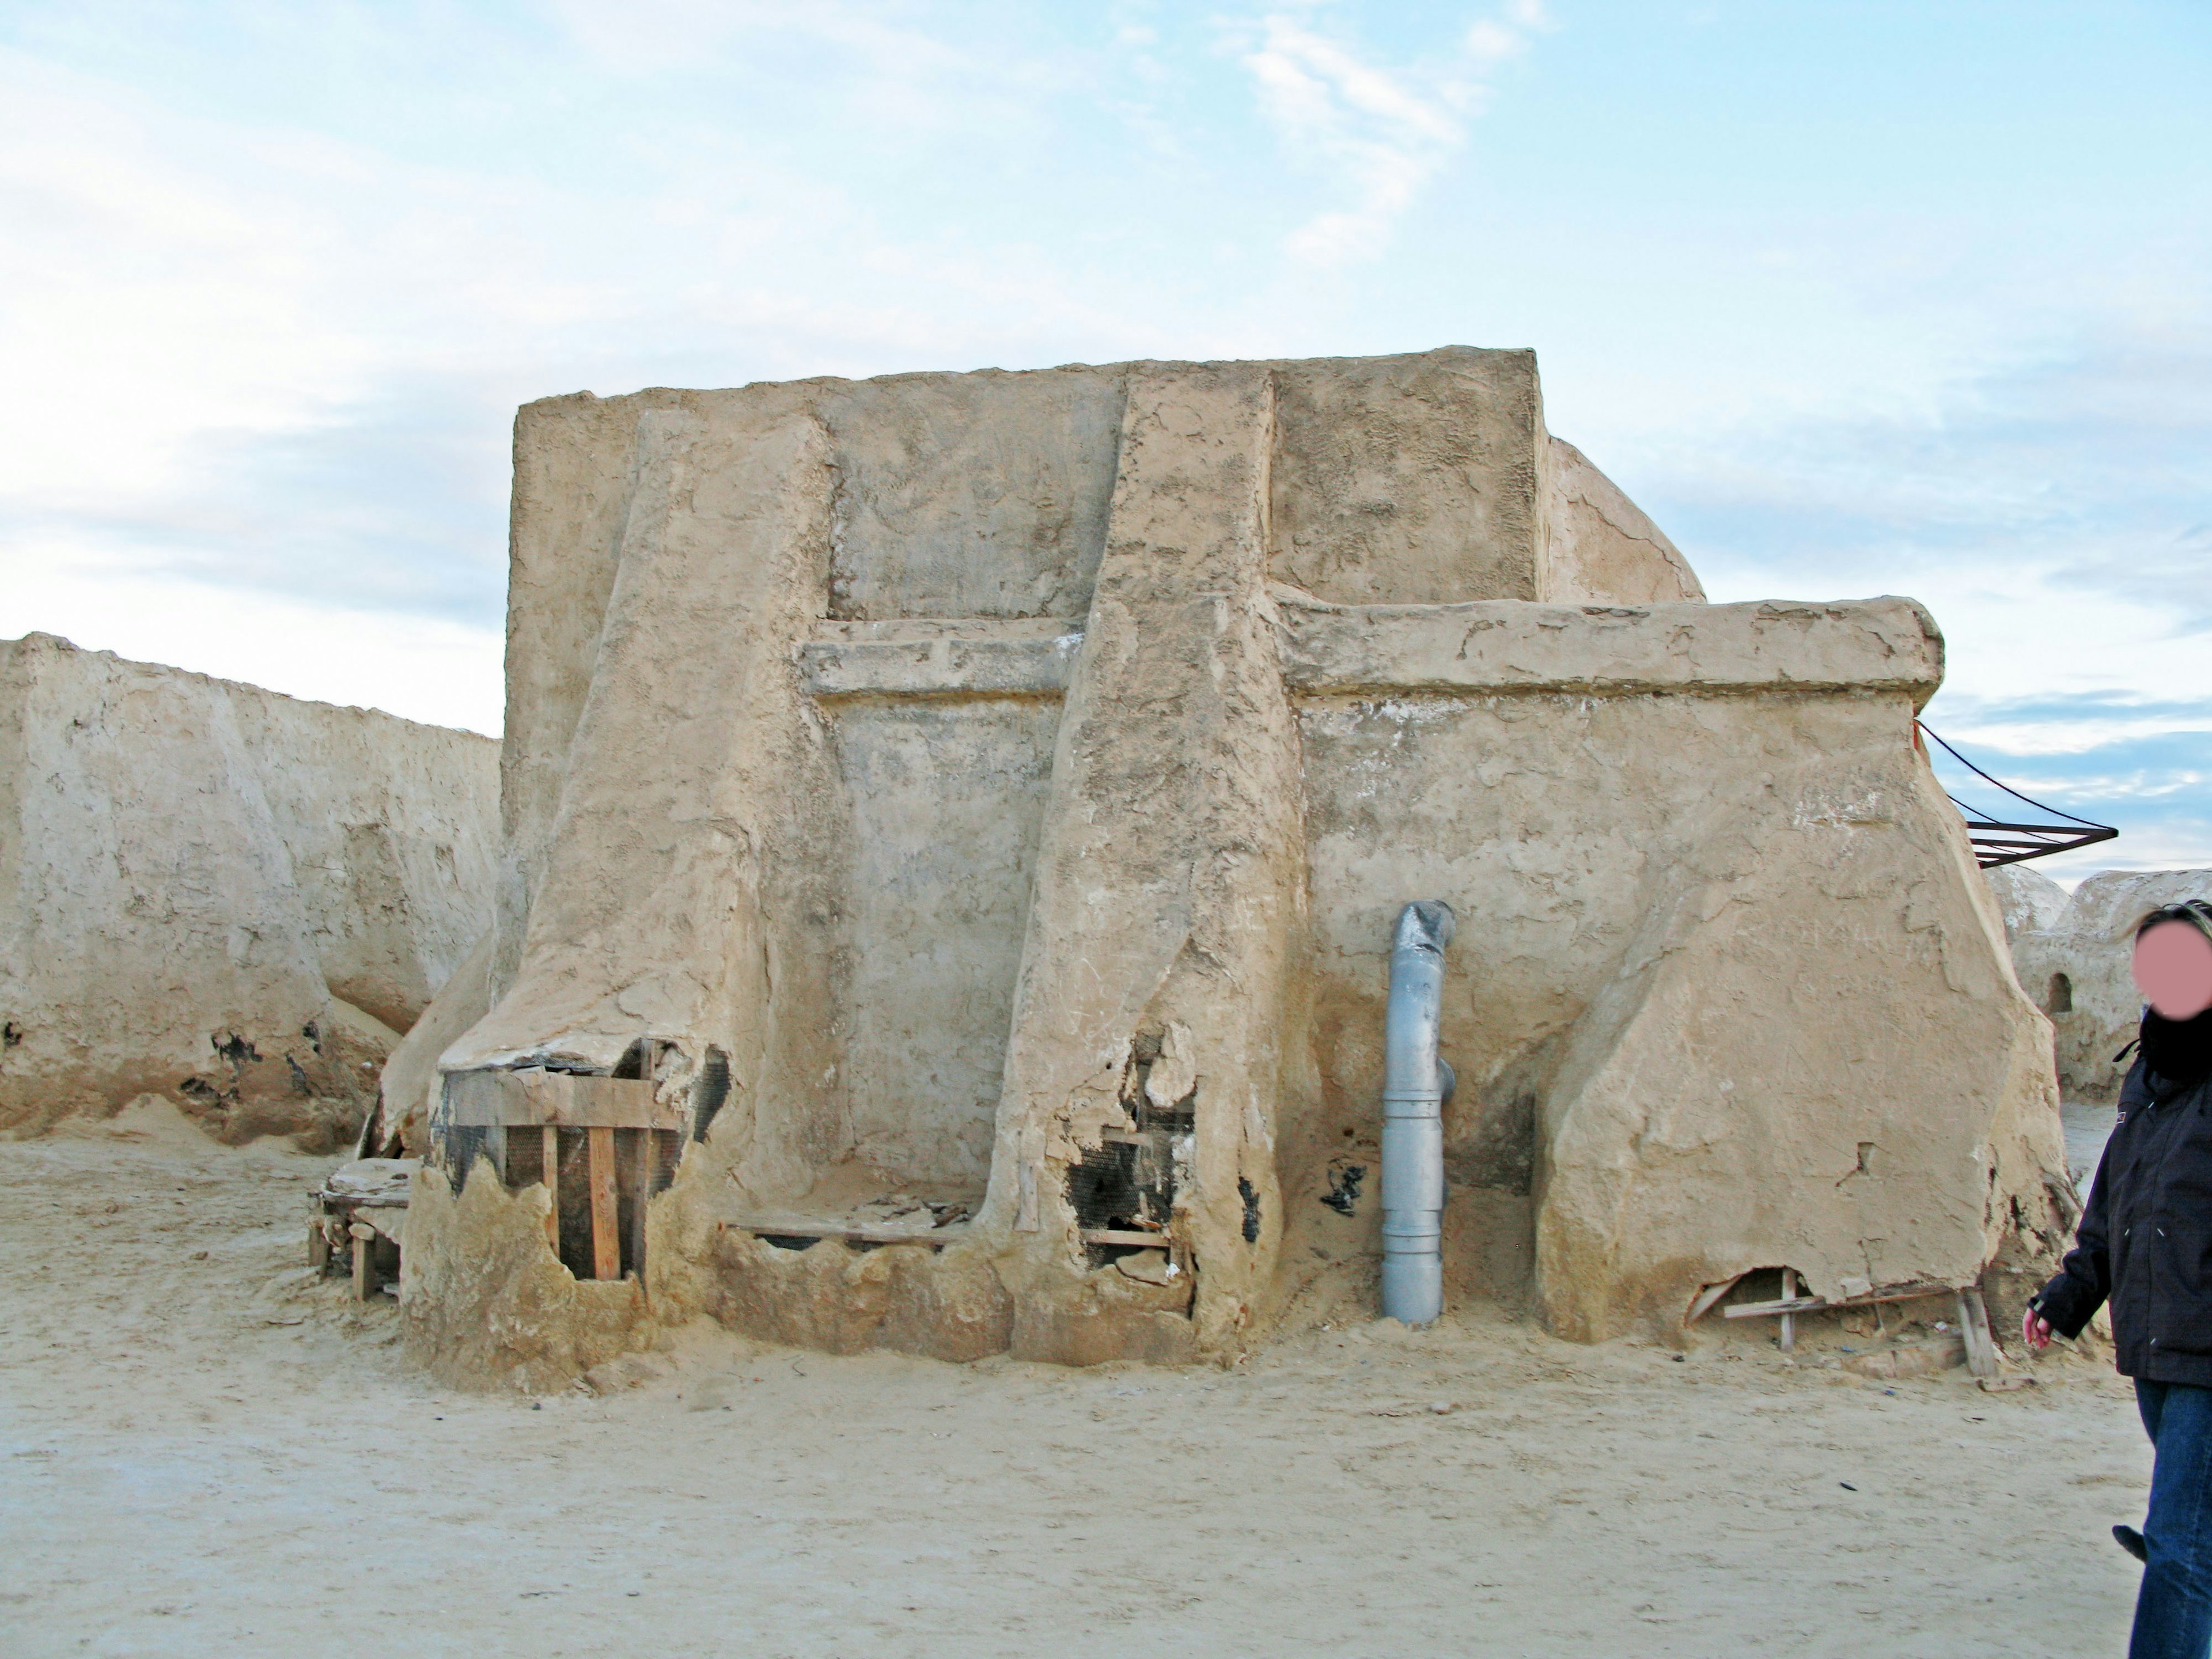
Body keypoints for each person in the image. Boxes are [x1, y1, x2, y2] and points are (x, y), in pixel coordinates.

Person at [2027, 899, 2212, 1658]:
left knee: (2179, 1548)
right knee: (2190, 1537)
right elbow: (2120, 1199)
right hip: (2156, 1344)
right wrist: (2071, 1292)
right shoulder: (2150, 1073)